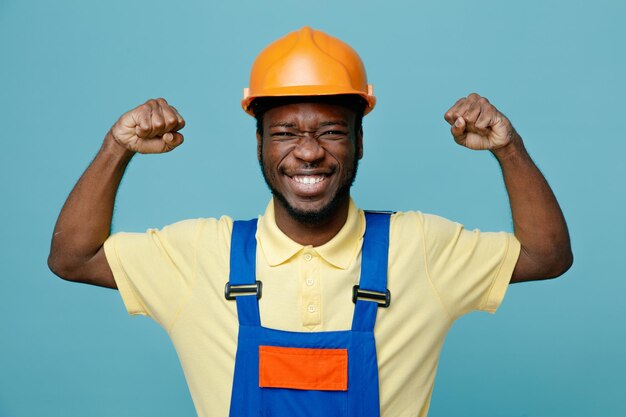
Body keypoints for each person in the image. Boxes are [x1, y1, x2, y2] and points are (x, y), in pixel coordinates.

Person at [48, 26, 572, 417]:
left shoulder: (420, 247)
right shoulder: (200, 254)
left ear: (359, 142)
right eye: (284, 133)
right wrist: (116, 148)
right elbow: (74, 258)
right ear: (259, 144)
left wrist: (509, 149)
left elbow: (547, 257)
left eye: (330, 132)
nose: (307, 152)